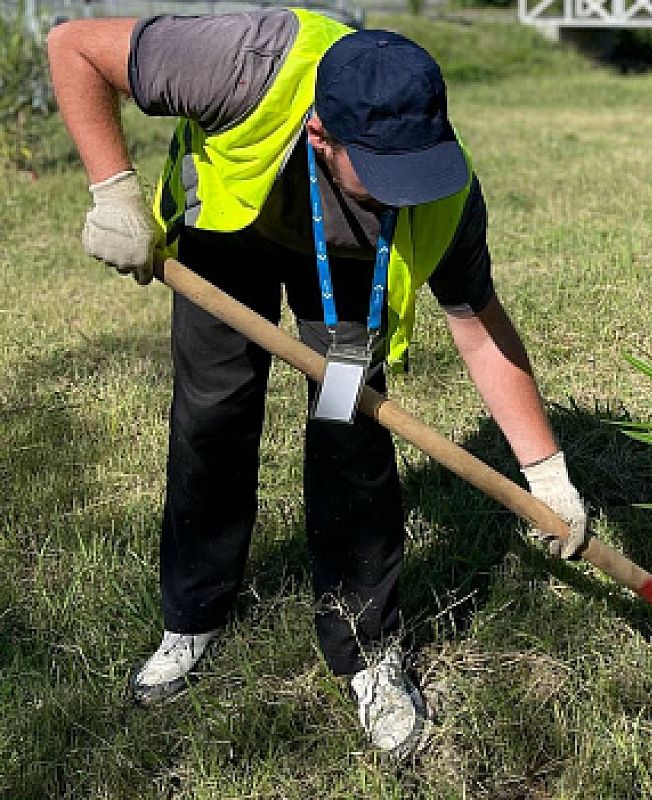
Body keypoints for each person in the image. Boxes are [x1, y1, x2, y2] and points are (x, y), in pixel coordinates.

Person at [46, 8, 589, 757]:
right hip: (227, 234)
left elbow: (479, 327)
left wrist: (547, 473)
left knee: (349, 431)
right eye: (385, 170)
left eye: (416, 165)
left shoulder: (439, 188)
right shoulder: (239, 61)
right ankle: (193, 615)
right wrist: (113, 191)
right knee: (212, 414)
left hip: (348, 266)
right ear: (321, 135)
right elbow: (72, 44)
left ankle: (366, 649)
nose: (407, 188)